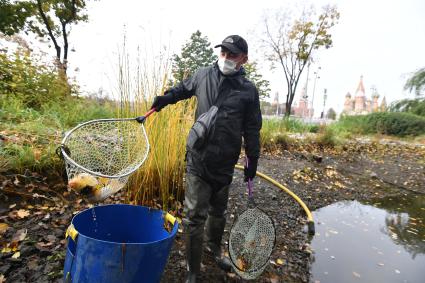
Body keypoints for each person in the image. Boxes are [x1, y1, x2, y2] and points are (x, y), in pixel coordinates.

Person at [150, 35, 262, 283]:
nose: (225, 58)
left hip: (225, 163)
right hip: (199, 159)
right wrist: (165, 99)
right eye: (223, 52)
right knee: (193, 217)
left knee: (218, 212)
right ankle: (192, 269)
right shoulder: (203, 75)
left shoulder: (248, 90)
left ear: (244, 59)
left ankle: (213, 248)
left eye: (232, 54)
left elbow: (252, 129)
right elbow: (181, 90)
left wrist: (252, 159)